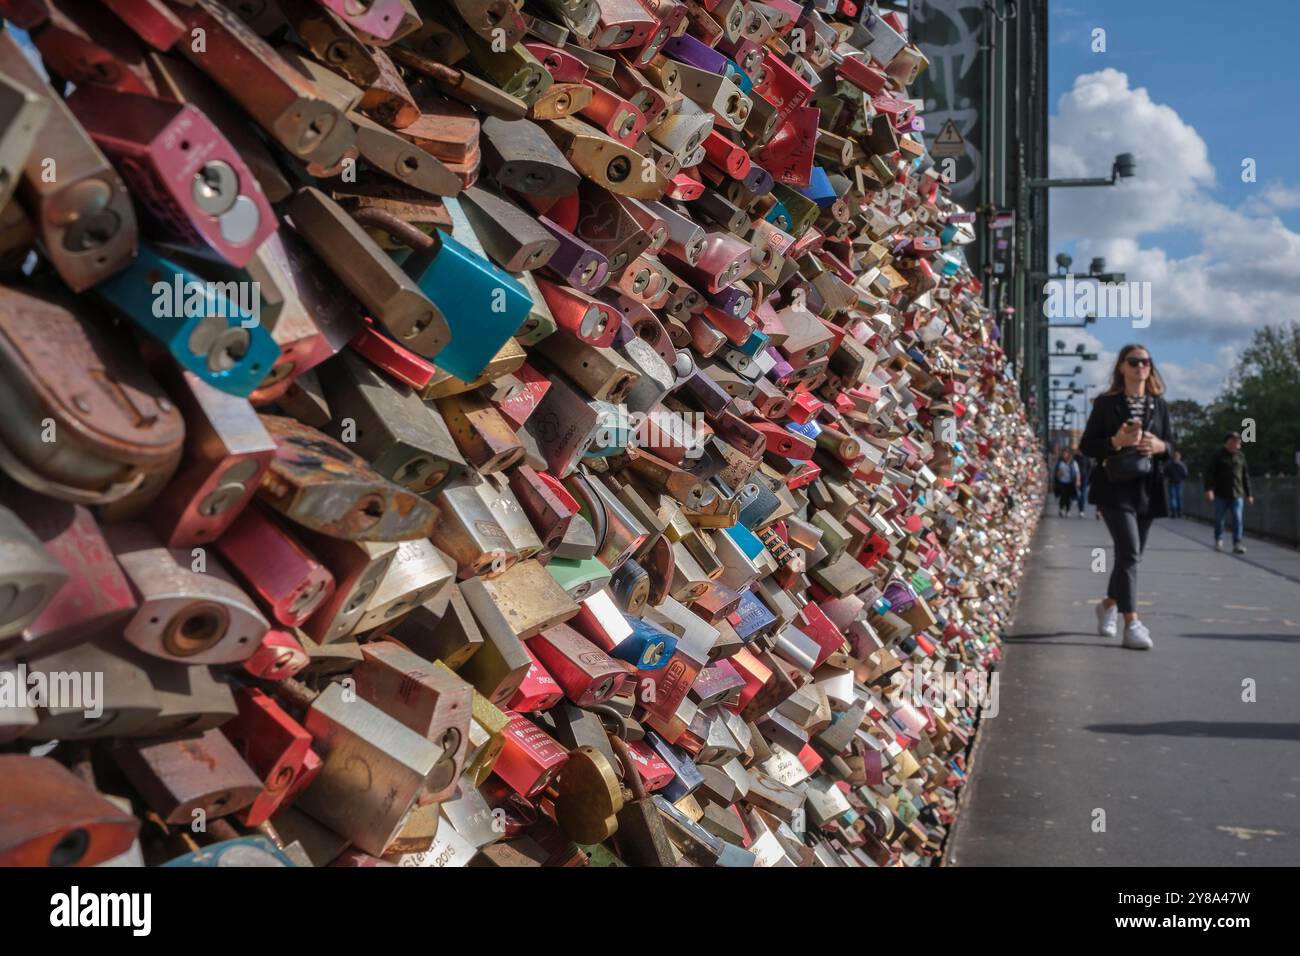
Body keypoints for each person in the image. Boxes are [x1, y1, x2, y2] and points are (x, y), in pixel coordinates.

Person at [1079, 344, 1175, 651]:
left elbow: (1172, 445)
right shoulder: (1107, 404)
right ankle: (1132, 623)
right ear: (1122, 367)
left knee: (1130, 555)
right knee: (1130, 551)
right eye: (1134, 362)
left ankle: (1108, 604)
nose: (1140, 367)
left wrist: (1160, 446)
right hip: (1114, 486)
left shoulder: (1159, 405)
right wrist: (1115, 441)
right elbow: (1087, 445)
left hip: (1147, 488)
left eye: (1146, 362)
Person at [1205, 432, 1254, 554]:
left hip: (1237, 494)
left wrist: (1249, 494)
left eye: (1239, 442)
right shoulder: (1217, 455)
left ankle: (1237, 543)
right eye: (1235, 442)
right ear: (1228, 442)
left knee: (1238, 519)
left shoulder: (1241, 456)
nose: (1237, 445)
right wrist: (1209, 489)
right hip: (1221, 493)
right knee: (1219, 519)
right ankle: (1218, 540)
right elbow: (1209, 474)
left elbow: (1245, 476)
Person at [1053, 448, 1080, 517]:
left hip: (1070, 481)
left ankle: (1068, 510)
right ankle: (1061, 509)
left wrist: (1078, 481)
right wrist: (1058, 474)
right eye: (1063, 454)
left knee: (1068, 497)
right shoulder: (1059, 462)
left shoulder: (1073, 462)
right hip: (1062, 481)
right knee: (1063, 495)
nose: (1064, 455)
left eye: (1065, 454)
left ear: (1068, 454)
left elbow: (1077, 472)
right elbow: (1056, 472)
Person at [1166, 450, 1188, 519]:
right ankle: (1177, 513)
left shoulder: (1171, 464)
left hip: (1175, 482)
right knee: (1177, 498)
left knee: (1175, 498)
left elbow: (1165, 473)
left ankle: (1175, 513)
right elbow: (1185, 474)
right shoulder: (1180, 464)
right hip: (1176, 482)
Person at [1074, 449, 1092, 517]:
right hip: (1077, 478)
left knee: (1083, 494)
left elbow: (1089, 467)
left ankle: (1082, 510)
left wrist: (1088, 476)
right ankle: (1080, 508)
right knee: (1078, 494)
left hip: (1084, 478)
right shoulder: (1075, 458)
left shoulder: (1086, 457)